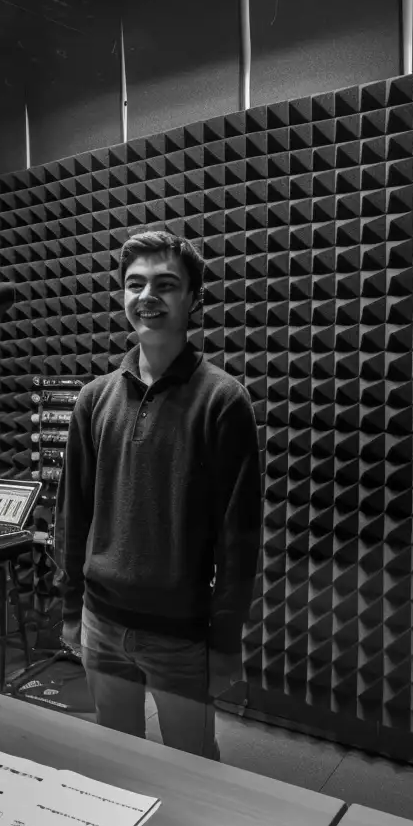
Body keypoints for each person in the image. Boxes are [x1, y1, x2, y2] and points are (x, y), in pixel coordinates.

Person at [56, 227, 261, 758]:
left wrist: (225, 641)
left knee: (192, 770)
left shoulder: (223, 400)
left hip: (180, 634)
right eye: (135, 284)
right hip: (101, 622)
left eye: (165, 285)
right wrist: (70, 609)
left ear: (193, 299)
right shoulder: (94, 399)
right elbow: (72, 516)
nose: (147, 296)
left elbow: (238, 539)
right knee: (118, 764)